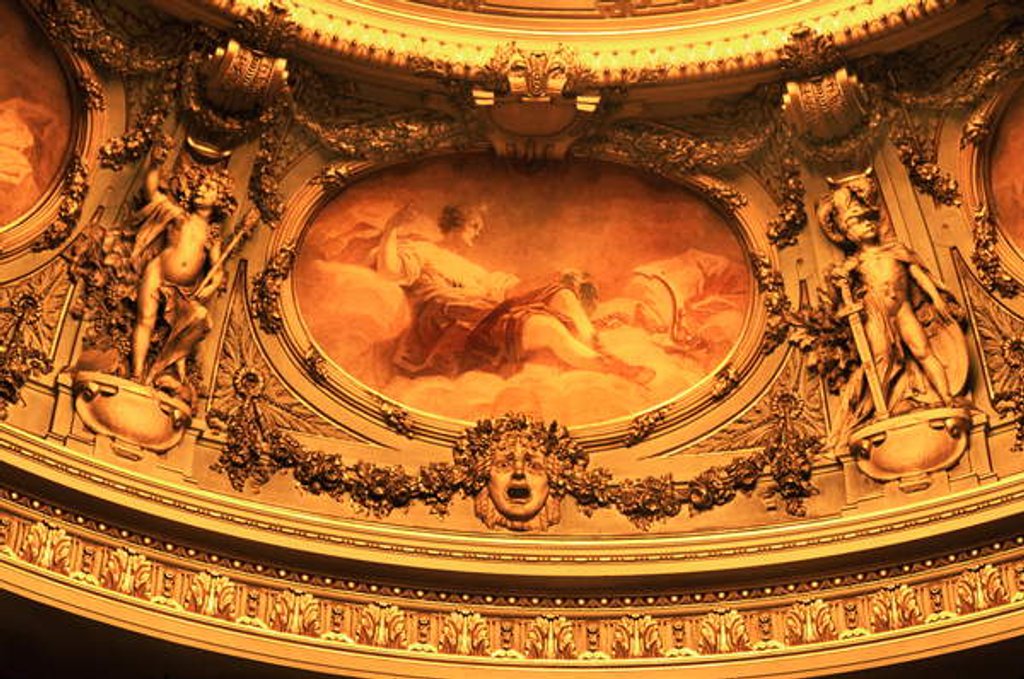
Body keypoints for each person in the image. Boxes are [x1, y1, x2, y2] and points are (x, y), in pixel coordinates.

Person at [374, 203, 652, 382]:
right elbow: (388, 272)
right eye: (474, 226)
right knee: (547, 328)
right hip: (454, 323)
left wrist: (558, 275)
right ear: (455, 225)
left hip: (486, 315)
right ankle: (611, 368)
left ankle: (601, 349)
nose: (479, 233)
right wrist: (392, 228)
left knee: (563, 293)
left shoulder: (473, 269)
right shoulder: (423, 251)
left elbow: (511, 290)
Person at [817, 168, 967, 439]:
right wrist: (841, 281)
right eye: (859, 222)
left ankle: (947, 397)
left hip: (903, 310)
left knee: (922, 351)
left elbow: (918, 273)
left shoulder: (895, 250)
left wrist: (936, 298)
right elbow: (840, 295)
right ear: (848, 233)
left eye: (869, 220)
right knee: (880, 358)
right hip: (876, 314)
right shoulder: (854, 263)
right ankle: (880, 410)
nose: (868, 225)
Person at [130, 161, 236, 397]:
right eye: (200, 186)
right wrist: (155, 165)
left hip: (184, 290)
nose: (200, 189)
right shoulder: (179, 216)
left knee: (200, 320)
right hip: (157, 272)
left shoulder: (212, 235)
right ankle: (136, 373)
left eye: (209, 188)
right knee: (145, 319)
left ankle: (161, 369)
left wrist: (214, 283)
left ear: (220, 199)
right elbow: (152, 194)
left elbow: (217, 271)